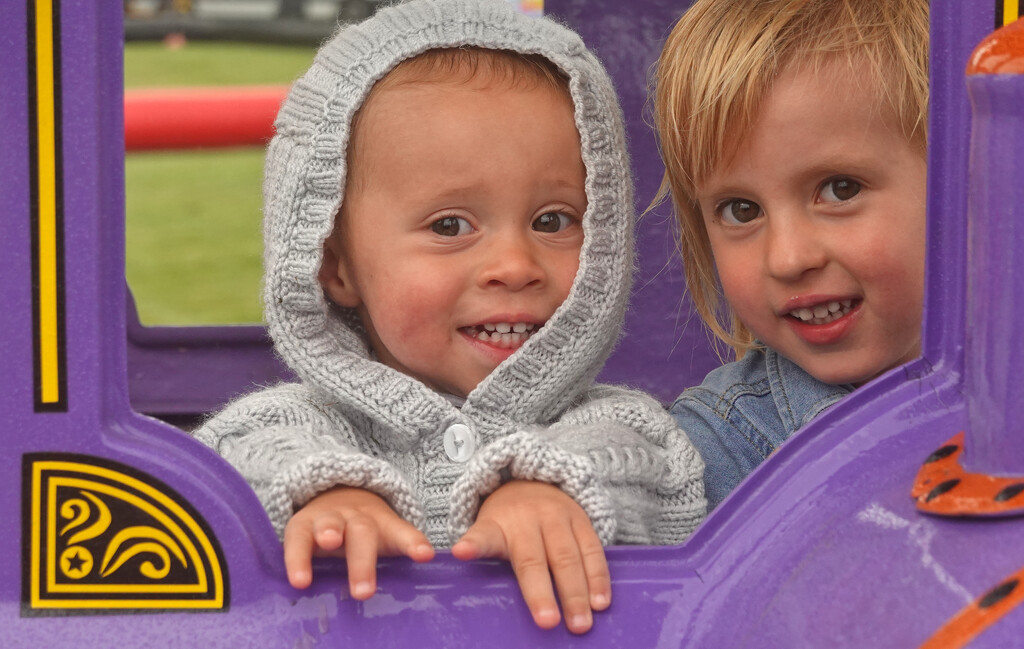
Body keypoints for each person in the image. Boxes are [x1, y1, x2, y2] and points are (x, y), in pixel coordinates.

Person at [193, 0, 705, 635]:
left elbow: (643, 479)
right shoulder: (301, 423)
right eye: (450, 226)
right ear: (335, 266)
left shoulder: (617, 424)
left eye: (553, 221)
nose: (515, 264)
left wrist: (546, 490)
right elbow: (235, 463)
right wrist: (326, 497)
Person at [653, 0, 928, 511]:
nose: (787, 258)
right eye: (741, 210)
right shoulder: (721, 442)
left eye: (839, 189)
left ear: (965, 174)